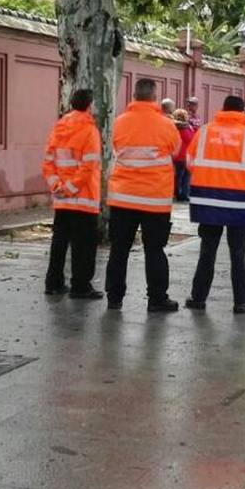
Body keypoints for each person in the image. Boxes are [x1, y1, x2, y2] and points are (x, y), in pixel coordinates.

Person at [185, 95, 245, 313]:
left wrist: (210, 176)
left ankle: (198, 298)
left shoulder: (204, 131)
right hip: (239, 202)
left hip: (207, 200)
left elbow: (190, 162)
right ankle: (241, 301)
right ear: (242, 112)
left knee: (207, 251)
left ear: (222, 109)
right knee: (238, 253)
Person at [104, 79, 182, 313]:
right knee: (154, 250)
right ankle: (157, 299)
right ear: (154, 97)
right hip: (154, 199)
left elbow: (116, 147)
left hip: (122, 197)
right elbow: (175, 150)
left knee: (119, 249)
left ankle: (114, 298)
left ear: (134, 95)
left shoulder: (119, 122)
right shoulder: (166, 124)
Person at [41, 88, 103, 299]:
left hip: (62, 200)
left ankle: (53, 282)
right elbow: (88, 167)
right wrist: (71, 189)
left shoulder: (59, 126)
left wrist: (58, 187)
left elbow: (48, 162)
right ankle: (80, 285)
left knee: (59, 241)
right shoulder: (89, 129)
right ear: (89, 105)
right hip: (83, 199)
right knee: (84, 244)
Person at [174, 108, 198, 202]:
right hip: (185, 155)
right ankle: (184, 194)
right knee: (186, 176)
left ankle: (177, 193)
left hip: (176, 155)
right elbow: (190, 139)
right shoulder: (185, 128)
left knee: (178, 176)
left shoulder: (173, 126)